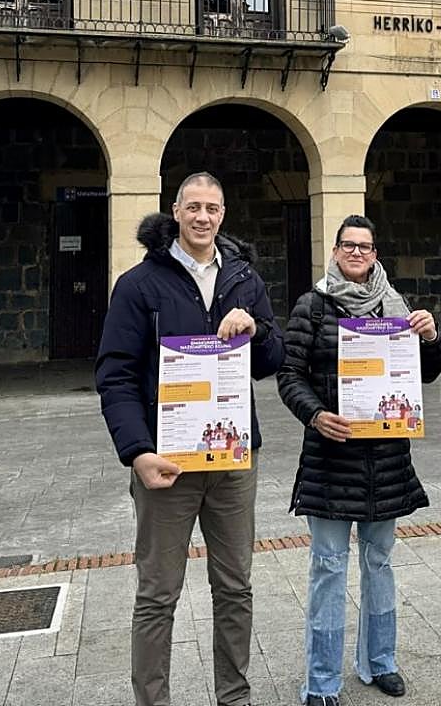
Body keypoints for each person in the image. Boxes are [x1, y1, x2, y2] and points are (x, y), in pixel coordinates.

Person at [95, 172, 284, 706]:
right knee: (157, 595)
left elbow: (272, 361)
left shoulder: (245, 278)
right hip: (168, 461)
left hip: (231, 460)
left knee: (235, 588)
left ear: (224, 214)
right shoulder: (139, 284)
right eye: (194, 207)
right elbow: (115, 375)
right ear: (175, 211)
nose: (203, 217)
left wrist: (258, 331)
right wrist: (137, 452)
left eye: (214, 208)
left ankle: (235, 696)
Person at [277, 215, 441, 706]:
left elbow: (424, 375)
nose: (356, 253)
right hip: (331, 457)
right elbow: (290, 374)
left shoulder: (396, 307)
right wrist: (315, 415)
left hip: (386, 459)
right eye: (348, 245)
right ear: (334, 251)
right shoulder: (312, 305)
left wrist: (430, 338)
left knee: (381, 562)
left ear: (375, 254)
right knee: (328, 566)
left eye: (365, 246)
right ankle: (322, 681)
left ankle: (380, 662)